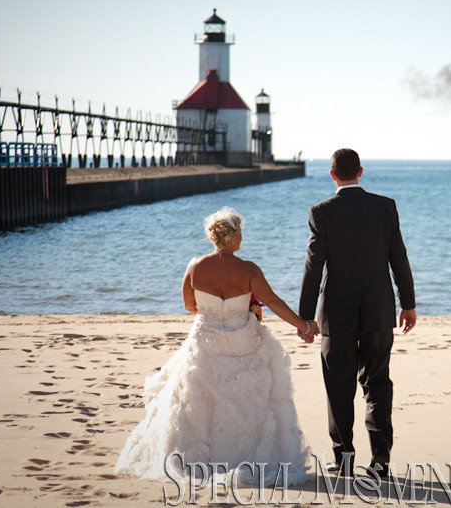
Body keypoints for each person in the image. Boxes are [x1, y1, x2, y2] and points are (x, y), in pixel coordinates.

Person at [116, 207, 320, 485]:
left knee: (199, 399)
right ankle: (244, 456)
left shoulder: (195, 266)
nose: (242, 237)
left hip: (206, 341)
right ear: (232, 236)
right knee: (248, 400)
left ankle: (195, 460)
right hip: (243, 343)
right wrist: (303, 325)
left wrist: (216, 311)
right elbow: (272, 302)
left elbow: (190, 306)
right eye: (240, 232)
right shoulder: (248, 269)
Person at [298, 148, 416, 477]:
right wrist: (408, 303)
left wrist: (306, 317)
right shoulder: (385, 207)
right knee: (378, 382)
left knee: (339, 385)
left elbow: (313, 266)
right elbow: (399, 258)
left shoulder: (320, 212)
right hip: (379, 310)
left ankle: (344, 458)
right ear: (360, 172)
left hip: (336, 314)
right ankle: (380, 458)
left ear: (332, 175)